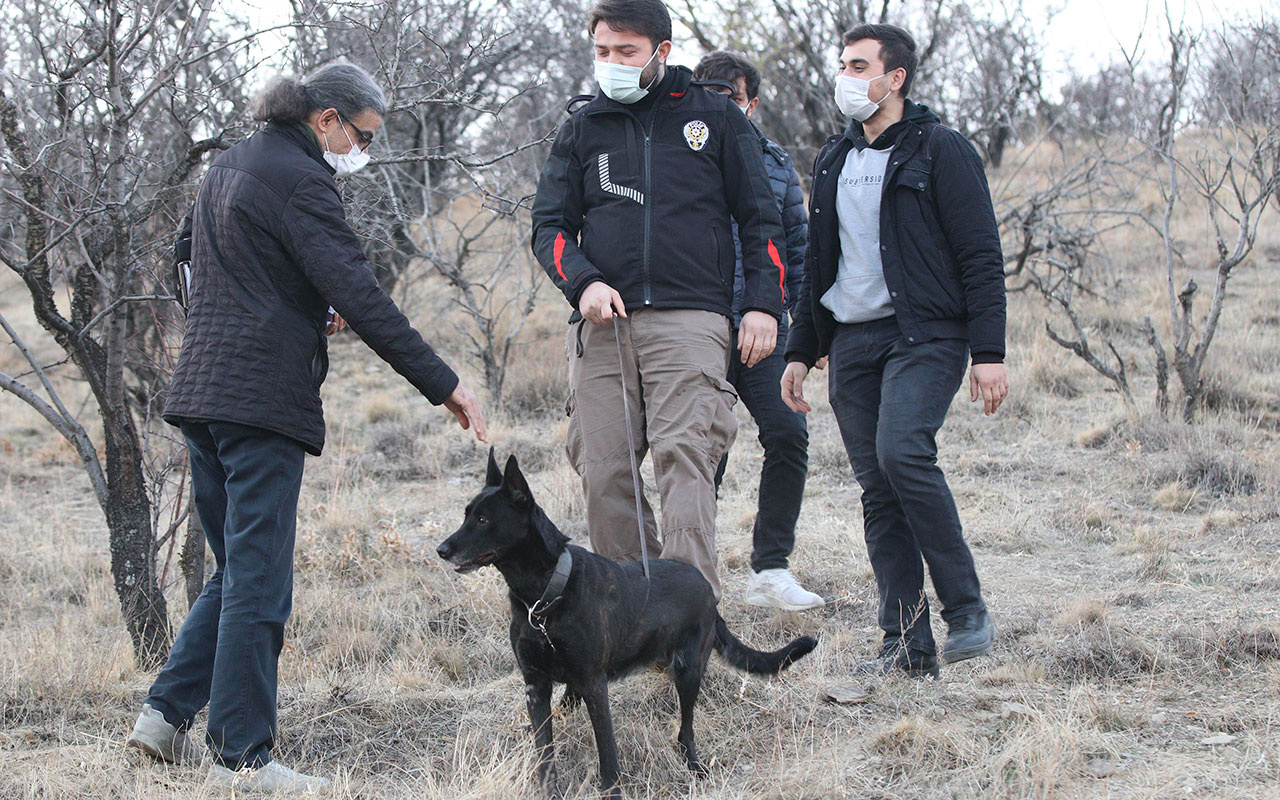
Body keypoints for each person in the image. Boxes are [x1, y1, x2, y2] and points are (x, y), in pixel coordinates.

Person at [125, 62, 488, 793]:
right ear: (325, 117)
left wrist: (282, 305)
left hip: (201, 392)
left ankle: (163, 718)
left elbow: (190, 267)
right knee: (260, 578)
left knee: (237, 569)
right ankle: (242, 756)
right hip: (259, 402)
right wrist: (444, 385)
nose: (362, 151)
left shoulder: (230, 163)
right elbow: (359, 289)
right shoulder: (301, 179)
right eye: (361, 135)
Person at [530, 0, 788, 602]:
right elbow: (549, 227)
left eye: (627, 52)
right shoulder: (583, 125)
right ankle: (632, 611)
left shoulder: (716, 117)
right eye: (602, 51)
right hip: (603, 325)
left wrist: (761, 306)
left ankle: (690, 616)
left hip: (691, 319)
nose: (612, 63)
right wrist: (584, 282)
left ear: (662, 52)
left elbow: (761, 220)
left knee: (684, 456)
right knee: (604, 470)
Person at [782, 24, 1009, 677]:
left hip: (927, 335)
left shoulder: (942, 151)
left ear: (896, 76)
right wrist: (802, 350)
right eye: (843, 65)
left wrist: (988, 352)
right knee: (878, 490)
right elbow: (817, 265)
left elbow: (980, 258)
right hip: (851, 340)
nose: (846, 77)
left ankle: (966, 610)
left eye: (859, 65)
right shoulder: (833, 159)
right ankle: (904, 644)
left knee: (902, 453)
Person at [692, 51, 823, 611]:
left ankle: (770, 570)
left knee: (788, 434)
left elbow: (798, 250)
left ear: (753, 103)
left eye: (733, 97)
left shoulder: (775, 164)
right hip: (697, 327)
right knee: (701, 451)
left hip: (765, 328)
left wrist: (791, 325)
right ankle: (691, 578)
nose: (723, 108)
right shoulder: (676, 158)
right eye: (711, 95)